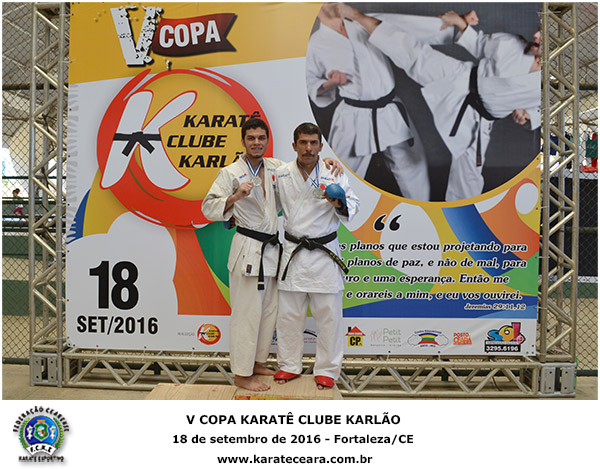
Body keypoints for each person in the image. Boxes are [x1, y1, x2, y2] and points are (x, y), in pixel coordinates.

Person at [337, 4, 542, 201]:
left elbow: (547, 110)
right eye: (539, 30)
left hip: (478, 120)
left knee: (468, 179)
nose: (535, 35)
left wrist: (530, 113)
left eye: (543, 36)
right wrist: (461, 24)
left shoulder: (550, 85)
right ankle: (357, 17)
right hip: (459, 78)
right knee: (414, 54)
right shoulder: (512, 44)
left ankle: (457, 221)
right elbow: (480, 44)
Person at [202, 118, 343, 392]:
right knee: (246, 315)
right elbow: (208, 208)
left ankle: (256, 362)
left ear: (267, 141)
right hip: (247, 250)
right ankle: (242, 374)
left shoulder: (276, 168)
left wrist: (326, 163)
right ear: (243, 141)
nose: (256, 143)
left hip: (272, 251)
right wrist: (234, 197)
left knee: (268, 313)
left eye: (261, 138)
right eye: (251, 138)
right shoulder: (230, 172)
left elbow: (303, 168)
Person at [306, 4, 431, 200]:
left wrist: (455, 28)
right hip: (353, 116)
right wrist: (330, 84)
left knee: (415, 168)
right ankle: (330, 216)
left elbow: (408, 26)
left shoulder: (363, 22)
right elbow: (311, 83)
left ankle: (421, 212)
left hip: (389, 110)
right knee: (335, 176)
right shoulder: (316, 43)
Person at [273, 122, 359, 390]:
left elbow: (353, 206)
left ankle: (327, 369)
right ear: (294, 145)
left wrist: (339, 202)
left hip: (324, 254)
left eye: (313, 143)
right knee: (288, 316)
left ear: (321, 146)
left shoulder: (334, 173)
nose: (308, 148)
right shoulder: (282, 174)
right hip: (294, 253)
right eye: (303, 142)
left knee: (329, 316)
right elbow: (269, 206)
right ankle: (289, 364)